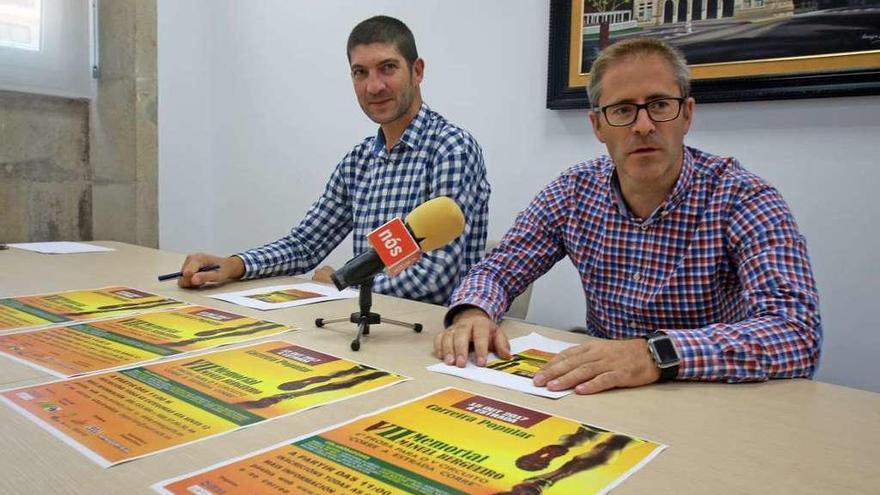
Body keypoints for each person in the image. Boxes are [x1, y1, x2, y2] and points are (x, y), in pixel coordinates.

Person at [435, 37, 821, 394]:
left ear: (686, 114)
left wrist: (657, 353)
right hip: (602, 394)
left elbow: (796, 333)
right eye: (622, 110)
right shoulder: (574, 191)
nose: (643, 126)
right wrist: (474, 310)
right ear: (598, 126)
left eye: (659, 105)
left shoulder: (744, 197)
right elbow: (499, 269)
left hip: (707, 393)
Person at [177, 15, 490, 305]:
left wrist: (345, 283)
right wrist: (234, 265)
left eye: (388, 68)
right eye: (360, 72)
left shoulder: (451, 149)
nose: (374, 86)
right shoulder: (359, 161)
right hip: (369, 323)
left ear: (417, 71)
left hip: (435, 336)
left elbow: (436, 278)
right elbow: (305, 245)